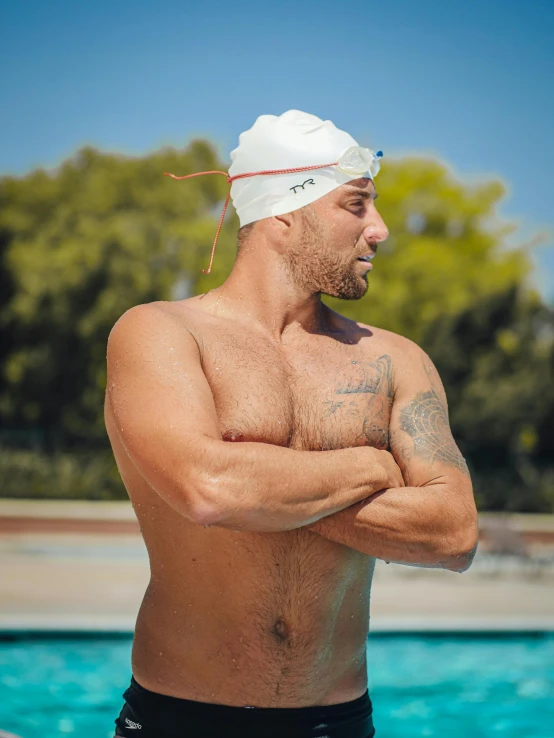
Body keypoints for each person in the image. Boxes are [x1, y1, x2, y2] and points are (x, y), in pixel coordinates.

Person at [105, 110, 478, 738]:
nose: (379, 230)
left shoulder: (394, 358)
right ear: (283, 211)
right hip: (181, 720)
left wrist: (262, 489)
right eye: (356, 206)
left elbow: (454, 531)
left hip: (339, 723)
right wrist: (372, 465)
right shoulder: (162, 333)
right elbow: (209, 490)